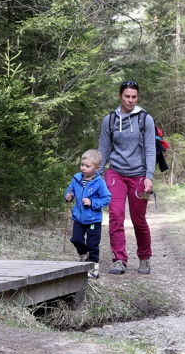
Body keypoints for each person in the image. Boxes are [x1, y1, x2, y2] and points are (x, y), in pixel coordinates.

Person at [98, 80, 156, 275]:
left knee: (139, 219)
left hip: (139, 175)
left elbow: (150, 149)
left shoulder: (145, 119)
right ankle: (119, 260)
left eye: (134, 97)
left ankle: (145, 258)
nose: (130, 100)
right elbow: (104, 150)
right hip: (115, 173)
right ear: (120, 96)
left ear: (137, 97)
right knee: (115, 216)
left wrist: (149, 176)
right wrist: (96, 177)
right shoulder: (110, 120)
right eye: (127, 96)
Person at [65, 149, 111, 279]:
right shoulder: (77, 178)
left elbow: (106, 198)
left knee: (93, 244)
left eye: (87, 166)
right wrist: (68, 196)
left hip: (93, 220)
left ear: (96, 167)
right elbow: (70, 191)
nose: (83, 168)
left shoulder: (99, 182)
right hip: (78, 218)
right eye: (82, 165)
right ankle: (83, 255)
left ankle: (94, 268)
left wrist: (92, 202)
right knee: (76, 239)